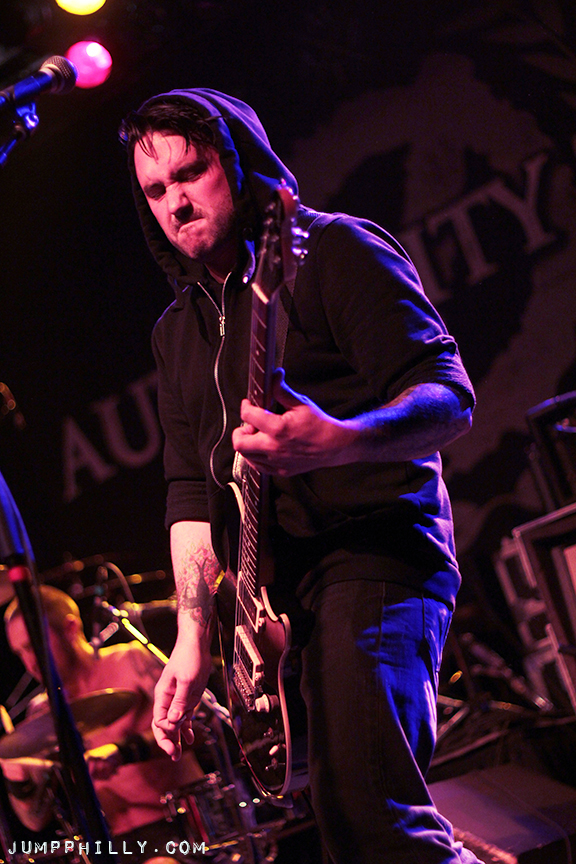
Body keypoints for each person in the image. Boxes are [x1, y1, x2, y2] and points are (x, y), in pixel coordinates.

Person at [118, 89, 480, 864]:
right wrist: (193, 638)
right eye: (155, 189)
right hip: (279, 606)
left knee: (373, 814)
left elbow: (449, 398)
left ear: (239, 164)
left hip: (375, 555)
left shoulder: (334, 251)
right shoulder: (176, 334)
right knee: (339, 832)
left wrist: (340, 440)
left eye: (191, 172)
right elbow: (190, 494)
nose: (175, 202)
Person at [1, 585, 204, 861]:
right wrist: (16, 776)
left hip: (181, 832)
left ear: (70, 628)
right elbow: (34, 820)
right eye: (20, 653)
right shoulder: (42, 712)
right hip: (110, 848)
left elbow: (200, 727)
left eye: (33, 646)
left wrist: (123, 751)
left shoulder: (130, 660)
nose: (29, 663)